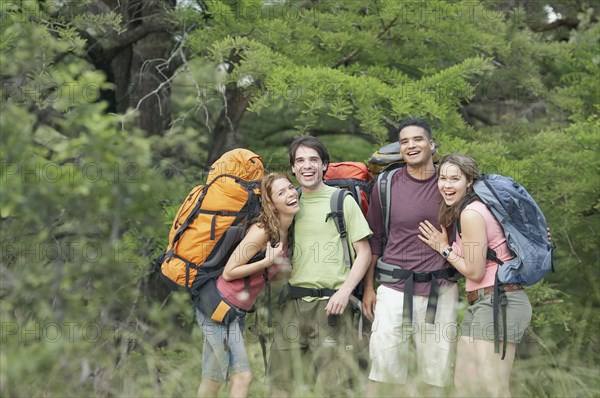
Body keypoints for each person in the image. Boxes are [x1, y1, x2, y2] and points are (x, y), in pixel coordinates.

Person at [418, 153, 532, 397]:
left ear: (469, 181)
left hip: (498, 302)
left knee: (494, 388)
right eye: (442, 178)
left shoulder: (471, 213)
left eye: (454, 179)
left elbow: (475, 271)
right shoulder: (472, 209)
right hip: (482, 302)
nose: (447, 185)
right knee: (465, 386)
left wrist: (443, 248)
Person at [268, 136, 372, 397]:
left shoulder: (342, 201)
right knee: (281, 386)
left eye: (313, 160)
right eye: (300, 161)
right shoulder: (289, 202)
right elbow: (280, 258)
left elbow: (364, 252)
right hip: (292, 305)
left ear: (325, 165)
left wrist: (345, 291)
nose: (307, 166)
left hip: (332, 307)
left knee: (334, 388)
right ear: (292, 168)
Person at [363, 118, 459, 396]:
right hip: (393, 290)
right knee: (383, 373)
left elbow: (479, 223)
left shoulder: (450, 182)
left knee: (436, 376)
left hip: (440, 291)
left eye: (417, 139)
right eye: (404, 141)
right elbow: (375, 239)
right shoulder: (386, 184)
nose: (411, 145)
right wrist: (370, 288)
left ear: (432, 145)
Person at [196, 172, 300, 398]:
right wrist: (267, 261)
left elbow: (269, 277)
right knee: (243, 376)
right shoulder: (262, 230)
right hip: (218, 306)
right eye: (281, 193)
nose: (291, 194)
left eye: (291, 188)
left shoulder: (287, 232)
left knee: (212, 378)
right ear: (271, 203)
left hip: (237, 311)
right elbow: (230, 271)